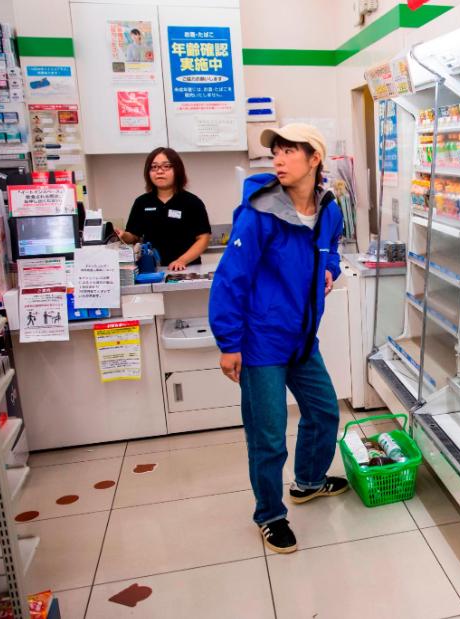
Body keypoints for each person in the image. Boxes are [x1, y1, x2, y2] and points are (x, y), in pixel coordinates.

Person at [209, 124, 346, 554]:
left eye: (289, 151)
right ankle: (270, 514)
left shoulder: (329, 210)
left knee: (324, 412)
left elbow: (333, 250)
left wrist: (331, 269)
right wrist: (229, 342)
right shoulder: (259, 213)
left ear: (314, 159)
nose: (279, 160)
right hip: (261, 341)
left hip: (303, 338)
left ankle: (307, 481)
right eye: (276, 153)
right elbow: (230, 279)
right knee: (268, 435)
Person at [118, 147, 211, 271]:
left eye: (166, 166)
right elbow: (134, 236)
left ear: (177, 170)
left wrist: (181, 260)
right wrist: (123, 235)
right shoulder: (142, 202)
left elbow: (203, 239)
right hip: (152, 269)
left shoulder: (192, 202)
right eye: (154, 167)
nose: (159, 171)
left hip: (187, 268)